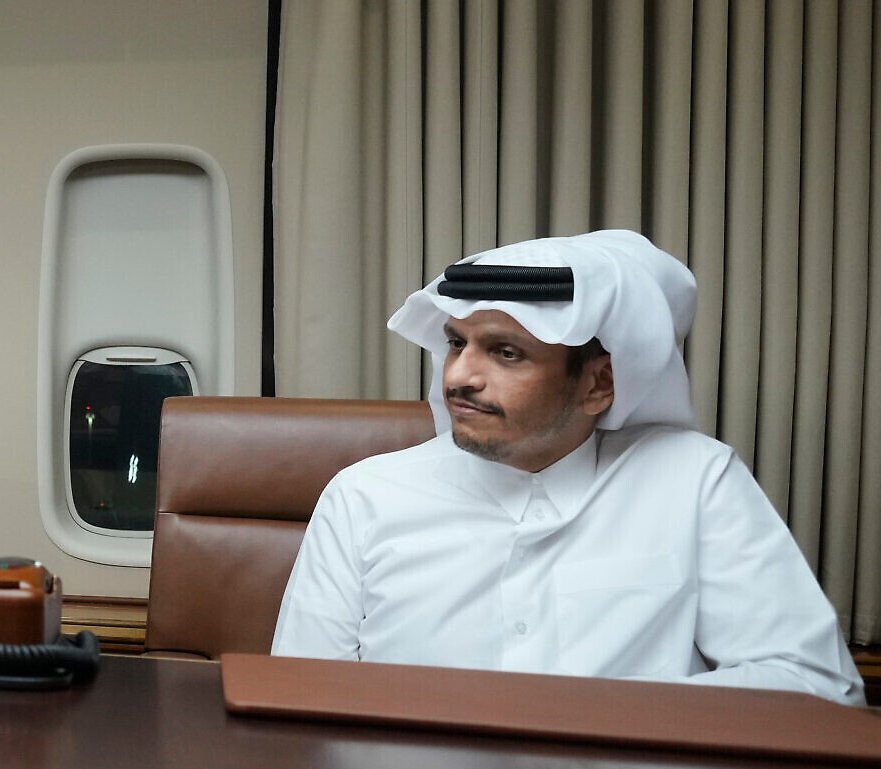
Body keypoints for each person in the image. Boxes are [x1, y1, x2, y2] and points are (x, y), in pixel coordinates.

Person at [272, 230, 863, 705]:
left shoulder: (694, 483)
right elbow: (296, 698)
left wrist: (592, 716)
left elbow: (817, 688)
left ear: (599, 383)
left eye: (506, 353)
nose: (458, 378)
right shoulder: (365, 495)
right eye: (457, 344)